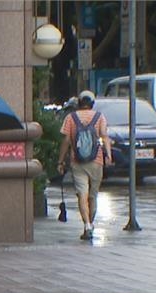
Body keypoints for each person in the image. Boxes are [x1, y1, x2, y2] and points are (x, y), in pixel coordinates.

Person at [57, 90, 112, 241]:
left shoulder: (71, 118)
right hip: (97, 161)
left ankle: (87, 225)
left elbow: (66, 141)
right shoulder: (99, 117)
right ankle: (91, 224)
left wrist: (60, 161)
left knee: (82, 194)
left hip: (77, 161)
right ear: (92, 103)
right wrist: (108, 155)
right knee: (93, 196)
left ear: (79, 103)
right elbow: (105, 137)